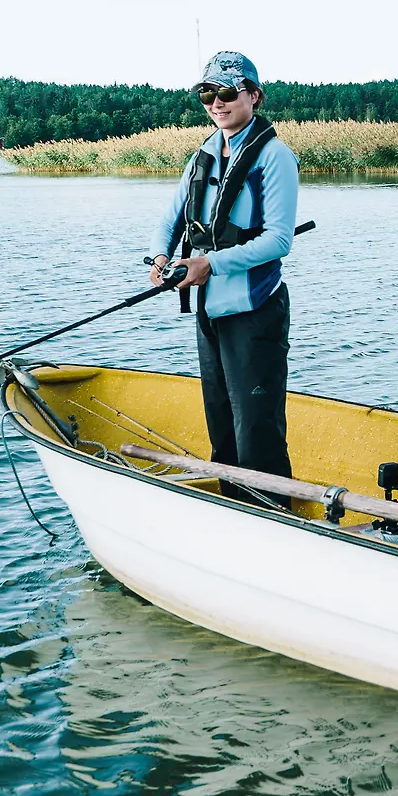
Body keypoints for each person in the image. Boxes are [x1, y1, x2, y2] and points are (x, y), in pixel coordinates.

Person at [147, 51, 299, 504]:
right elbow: (171, 220)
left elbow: (278, 241)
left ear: (254, 96)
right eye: (207, 94)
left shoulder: (275, 157)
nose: (217, 103)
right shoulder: (203, 156)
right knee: (221, 423)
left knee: (256, 428)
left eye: (228, 93)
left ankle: (274, 512)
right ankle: (233, 508)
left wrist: (210, 264)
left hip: (255, 311)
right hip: (210, 311)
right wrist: (161, 256)